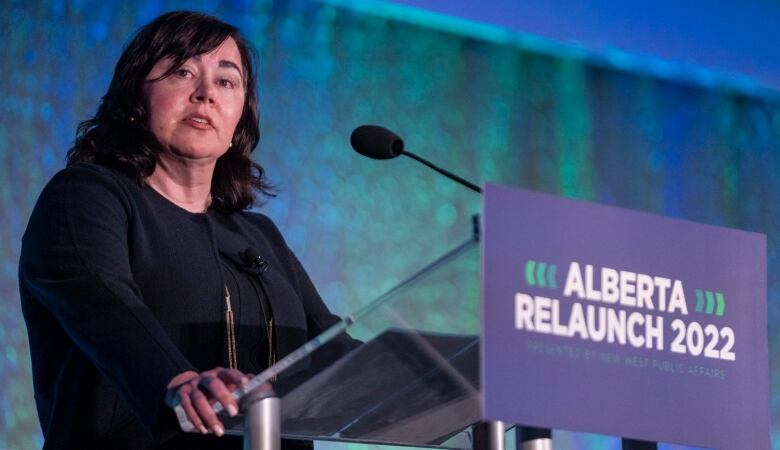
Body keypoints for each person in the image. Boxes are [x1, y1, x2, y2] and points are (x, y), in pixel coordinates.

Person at [19, 10, 344, 449]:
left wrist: (443, 376)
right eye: (182, 71)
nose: (206, 93)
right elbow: (103, 303)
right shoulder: (85, 197)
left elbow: (332, 348)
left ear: (240, 118)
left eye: (226, 81)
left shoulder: (260, 236)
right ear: (134, 99)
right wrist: (177, 380)